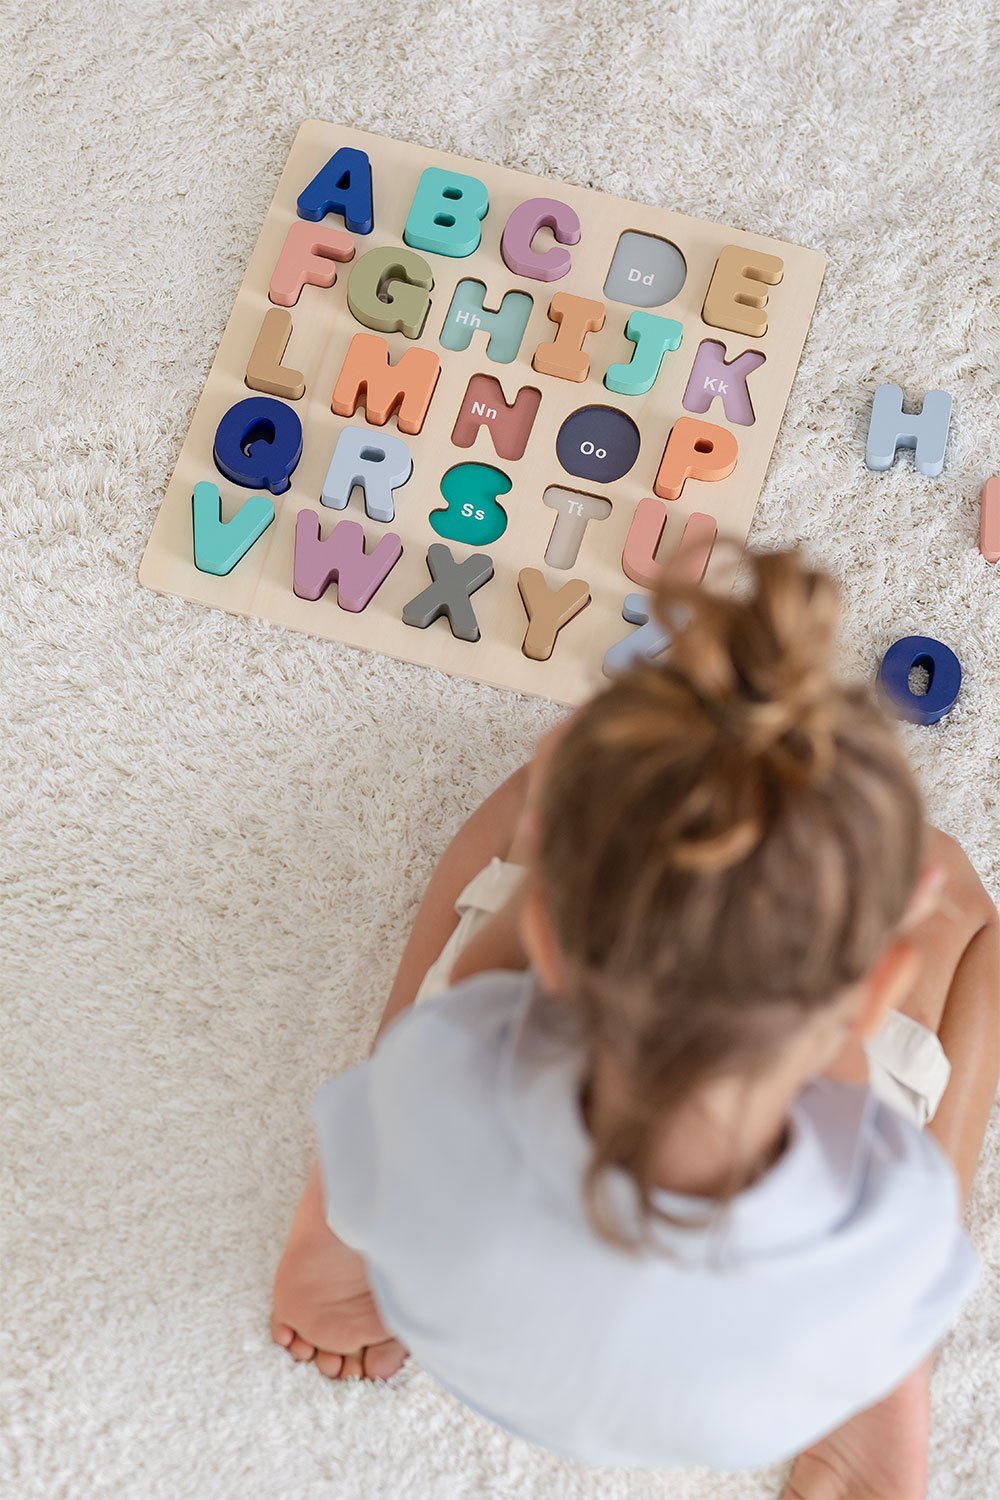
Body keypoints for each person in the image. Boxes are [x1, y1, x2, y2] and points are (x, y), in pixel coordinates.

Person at [272, 549, 999, 1498]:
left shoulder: (438, 1088)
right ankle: (876, 1421)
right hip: (738, 1412)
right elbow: (850, 1092)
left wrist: (550, 818)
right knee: (976, 926)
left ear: (551, 943)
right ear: (870, 992)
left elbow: (487, 984)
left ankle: (334, 1274)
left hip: (479, 1345)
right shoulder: (887, 1221)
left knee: (421, 1054)